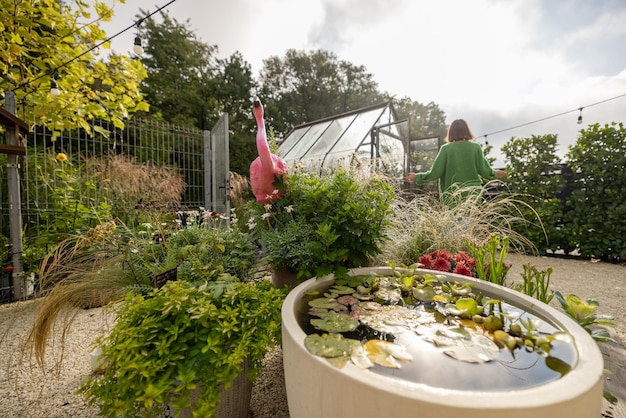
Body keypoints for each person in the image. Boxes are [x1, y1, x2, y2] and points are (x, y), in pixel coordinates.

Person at [404, 119, 506, 201]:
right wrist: (497, 174)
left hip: (452, 198)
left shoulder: (446, 149)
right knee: (471, 226)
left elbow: (435, 173)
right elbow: (485, 171)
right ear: (467, 131)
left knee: (455, 226)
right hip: (472, 197)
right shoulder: (475, 147)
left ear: (451, 132)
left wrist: (417, 177)